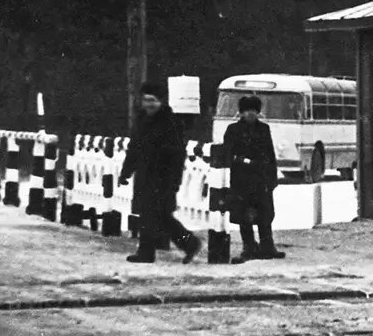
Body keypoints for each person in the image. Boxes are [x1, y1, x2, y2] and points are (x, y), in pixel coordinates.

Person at [119, 81, 202, 264]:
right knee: (154, 215)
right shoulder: (141, 119)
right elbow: (134, 148)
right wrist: (126, 172)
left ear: (161, 102)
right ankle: (187, 244)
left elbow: (178, 154)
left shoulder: (170, 122)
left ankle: (151, 251)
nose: (149, 104)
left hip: (163, 177)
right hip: (144, 174)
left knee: (156, 215)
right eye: (146, 100)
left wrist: (174, 181)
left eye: (153, 100)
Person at [222, 95, 285, 263]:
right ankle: (248, 246)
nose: (251, 114)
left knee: (265, 214)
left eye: (254, 110)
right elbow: (228, 153)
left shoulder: (264, 129)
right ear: (241, 112)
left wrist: (272, 177)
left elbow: (270, 154)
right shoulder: (233, 130)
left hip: (261, 178)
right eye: (247, 110)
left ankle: (267, 246)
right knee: (244, 215)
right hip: (241, 178)